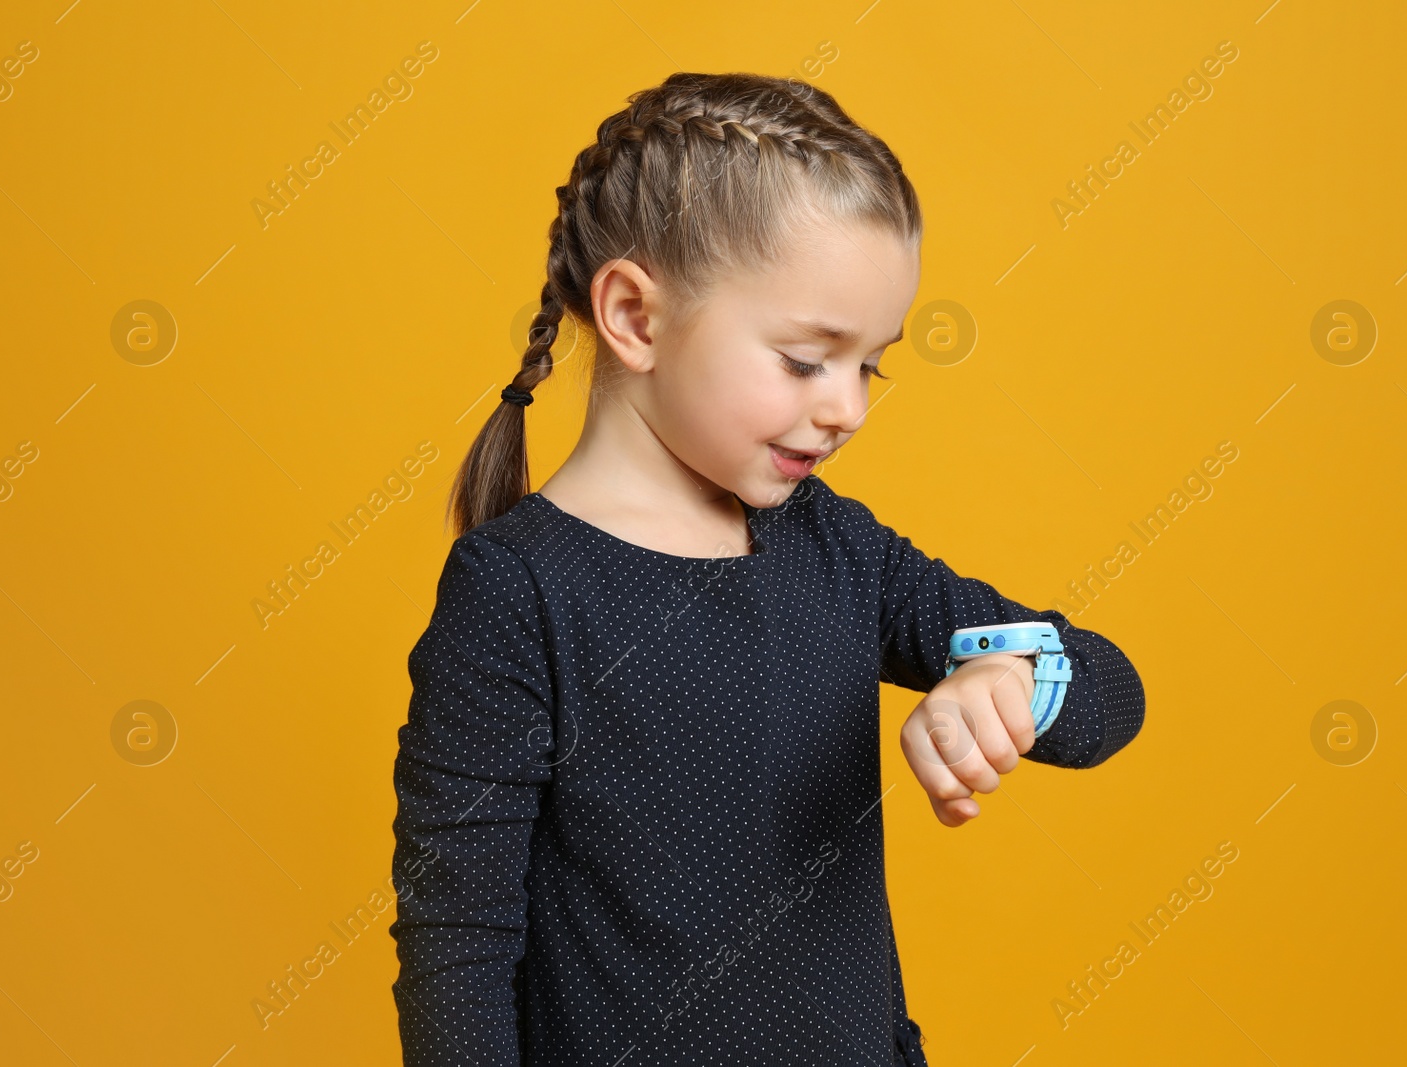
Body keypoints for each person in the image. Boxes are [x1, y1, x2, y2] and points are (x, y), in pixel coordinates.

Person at [388, 71, 1145, 1066]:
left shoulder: (834, 547)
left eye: (869, 363)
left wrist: (1011, 676)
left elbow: (1109, 690)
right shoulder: (517, 592)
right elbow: (459, 945)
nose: (849, 407)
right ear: (636, 316)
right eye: (805, 358)